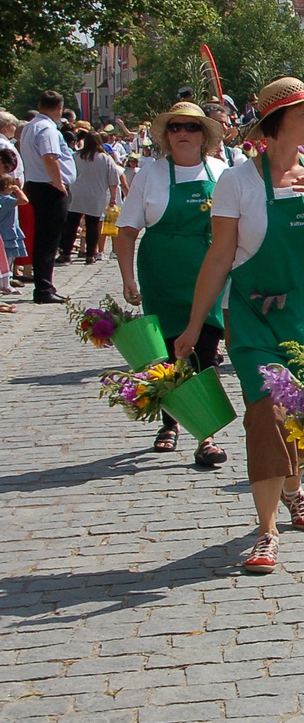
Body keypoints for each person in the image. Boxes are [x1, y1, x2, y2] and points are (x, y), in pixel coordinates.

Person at [174, 78, 304, 576]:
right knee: (268, 414)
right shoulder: (238, 182)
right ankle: (267, 530)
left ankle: (294, 489)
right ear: (274, 125)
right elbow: (220, 255)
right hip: (256, 319)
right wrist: (193, 325)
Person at [116, 101, 231, 465]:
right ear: (167, 136)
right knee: (168, 353)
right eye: (175, 127)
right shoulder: (150, 174)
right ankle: (170, 422)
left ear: (204, 136)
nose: (183, 133)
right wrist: (127, 278)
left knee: (206, 354)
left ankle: (206, 435)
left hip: (209, 271)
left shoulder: (222, 171)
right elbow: (127, 229)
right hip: (162, 274)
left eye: (192, 127)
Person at [19, 90, 75, 303]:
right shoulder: (47, 128)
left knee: (44, 237)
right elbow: (50, 156)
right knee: (49, 239)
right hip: (49, 187)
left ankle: (44, 284)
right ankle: (44, 288)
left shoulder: (31, 126)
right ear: (59, 108)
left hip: (37, 184)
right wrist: (59, 183)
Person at [61, 130, 121, 265]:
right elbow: (113, 181)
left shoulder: (76, 156)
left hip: (76, 193)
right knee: (93, 225)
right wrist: (113, 197)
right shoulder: (105, 159)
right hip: (95, 195)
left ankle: (66, 253)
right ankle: (90, 254)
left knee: (71, 224)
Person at [0, 147, 26, 302]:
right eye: (6, 168)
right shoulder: (6, 197)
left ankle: (6, 279)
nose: (7, 171)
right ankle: (5, 281)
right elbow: (24, 201)